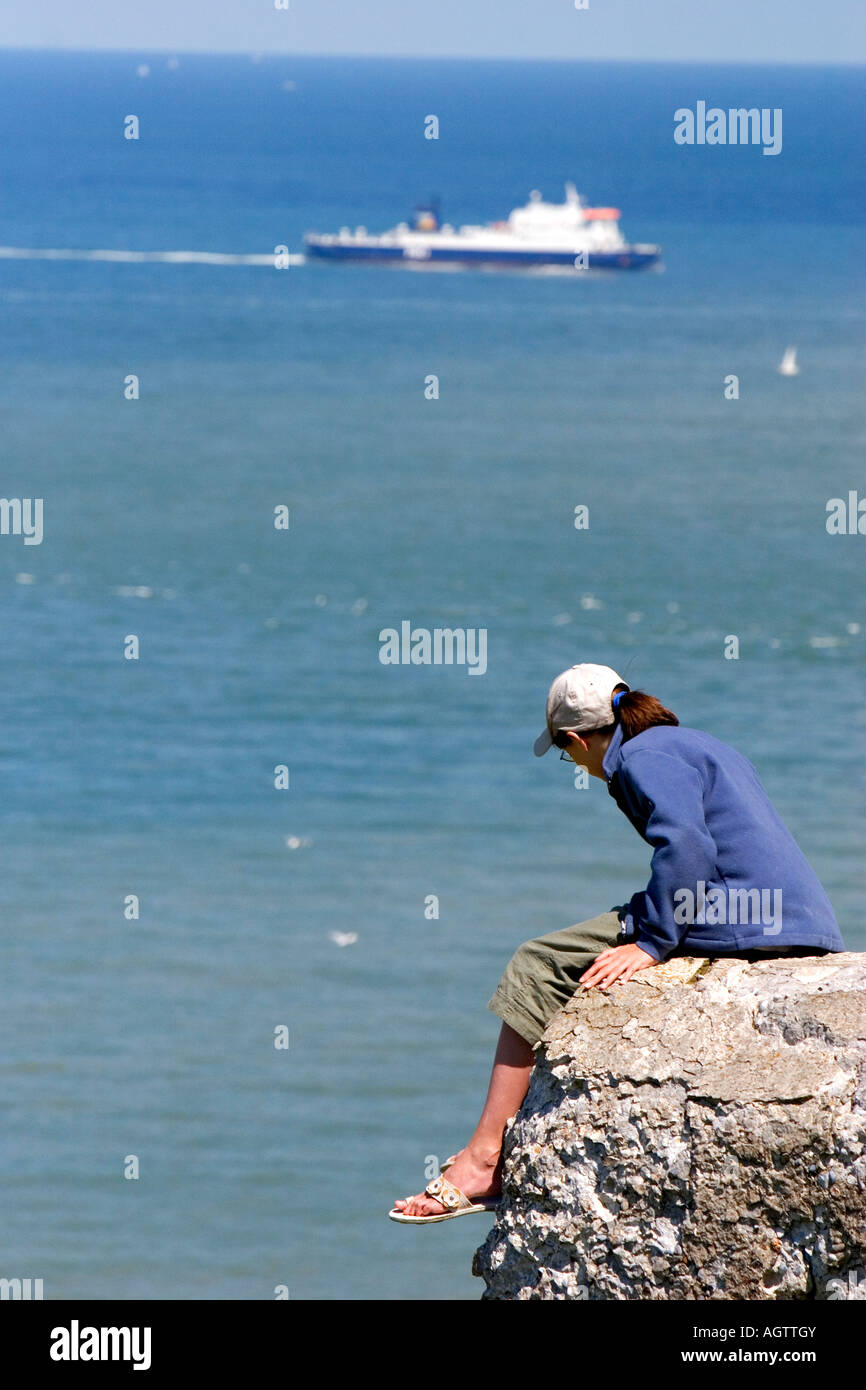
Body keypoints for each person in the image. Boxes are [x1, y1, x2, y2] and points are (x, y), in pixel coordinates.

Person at [389, 662, 845, 1224]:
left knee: (536, 962)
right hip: (799, 918)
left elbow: (689, 848)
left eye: (566, 754)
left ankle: (484, 1161)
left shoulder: (638, 758)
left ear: (577, 739)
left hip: (740, 915)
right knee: (602, 927)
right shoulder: (692, 743)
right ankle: (485, 1155)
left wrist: (652, 941)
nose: (575, 765)